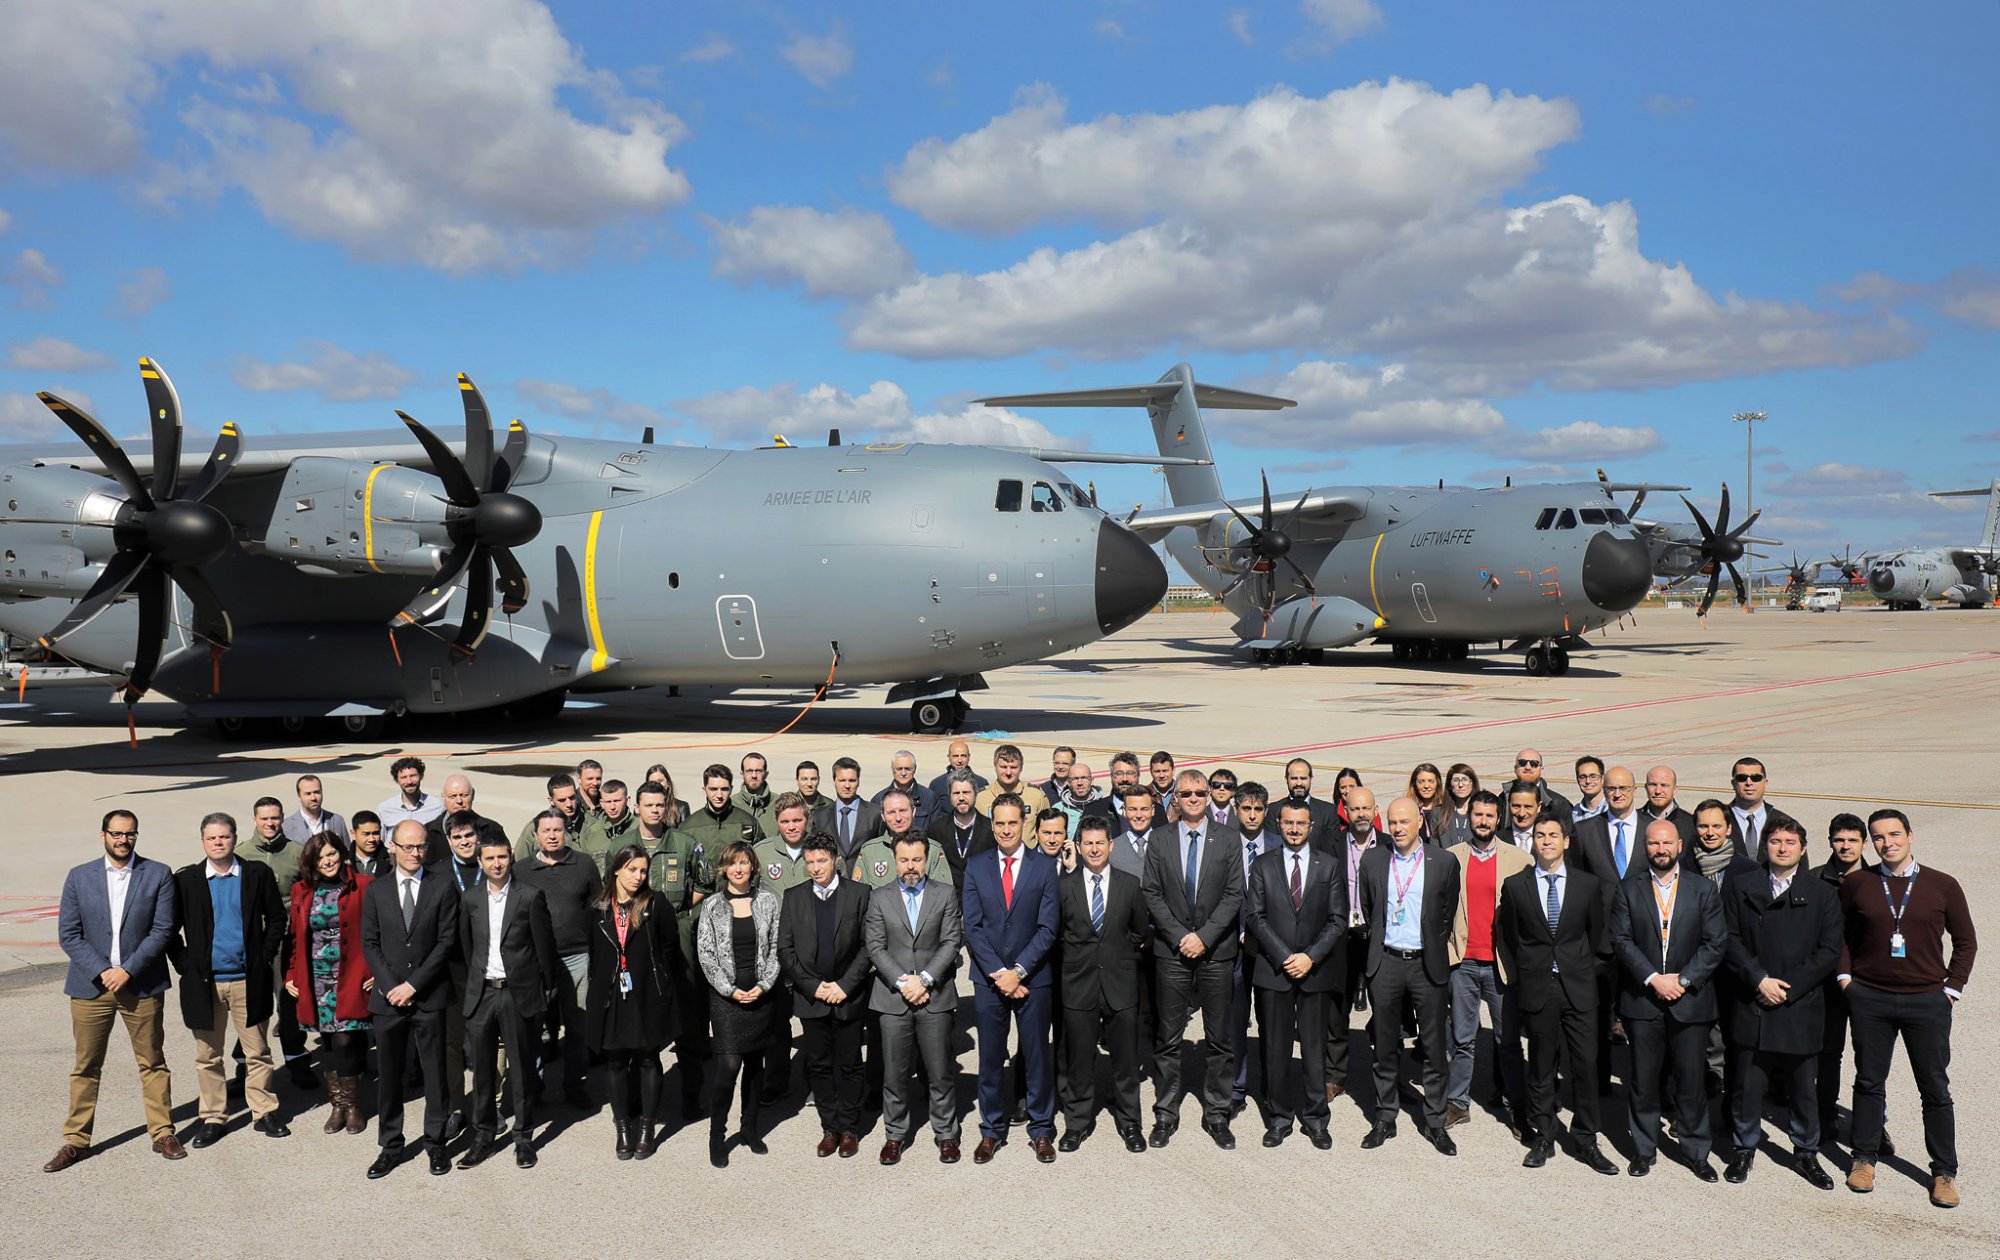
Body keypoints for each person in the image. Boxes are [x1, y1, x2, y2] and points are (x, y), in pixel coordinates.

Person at [1839, 809, 1978, 1208]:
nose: (1888, 843)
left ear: (1911, 836)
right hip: (1872, 999)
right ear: (1871, 842)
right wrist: (1847, 982)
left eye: (1895, 834)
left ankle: (1944, 1171)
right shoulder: (1857, 883)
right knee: (1868, 1081)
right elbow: (1842, 937)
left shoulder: (1942, 885)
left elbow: (1966, 941)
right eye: (1879, 837)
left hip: (1927, 1001)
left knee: (1934, 1087)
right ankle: (1863, 1158)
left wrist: (1952, 989)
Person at [45, 809, 182, 1172]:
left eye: (130, 834)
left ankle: (163, 1132)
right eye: (117, 833)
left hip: (142, 983)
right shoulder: (79, 877)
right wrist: (104, 971)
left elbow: (163, 929)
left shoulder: (158, 874)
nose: (124, 840)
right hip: (91, 986)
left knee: (152, 1061)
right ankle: (76, 1140)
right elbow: (69, 934)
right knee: (86, 1065)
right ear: (103, 834)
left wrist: (129, 970)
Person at [1718, 815, 1842, 1187]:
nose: (1783, 848)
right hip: (1753, 998)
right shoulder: (1741, 886)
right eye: (1776, 842)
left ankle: (1806, 1152)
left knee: (1803, 1087)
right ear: (1766, 847)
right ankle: (1744, 1148)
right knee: (1746, 1084)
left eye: (1790, 842)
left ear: (1803, 850)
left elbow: (1828, 950)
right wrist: (1759, 978)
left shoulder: (1822, 894)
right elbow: (1728, 938)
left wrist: (1786, 986)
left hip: (1798, 1004)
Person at [1496, 813, 1618, 1174]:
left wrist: (1580, 969)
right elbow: (1512, 936)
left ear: (1566, 842)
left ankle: (1585, 1139)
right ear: (1532, 842)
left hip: (1579, 986)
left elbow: (1596, 935)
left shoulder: (1587, 885)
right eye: (1539, 835)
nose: (1546, 840)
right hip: (1539, 988)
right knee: (1542, 1066)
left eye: (1553, 835)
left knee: (1585, 1065)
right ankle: (1544, 1133)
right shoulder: (1516, 886)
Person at [1611, 818, 1728, 1181]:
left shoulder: (1702, 890)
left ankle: (1696, 1151)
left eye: (1666, 844)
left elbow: (1715, 942)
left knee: (1691, 1081)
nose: (1660, 850)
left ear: (1679, 846)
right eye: (1653, 844)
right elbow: (1621, 940)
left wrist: (1685, 978)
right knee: (1644, 1081)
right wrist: (1652, 979)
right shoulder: (1628, 889)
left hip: (1689, 1000)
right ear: (1645, 848)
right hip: (1643, 1000)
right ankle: (1644, 1150)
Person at [169, 811, 289, 1146]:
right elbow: (169, 929)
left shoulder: (255, 874)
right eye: (212, 837)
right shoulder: (188, 880)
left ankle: (263, 1111)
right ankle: (214, 1116)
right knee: (208, 1055)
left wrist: (264, 958)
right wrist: (186, 965)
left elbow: (277, 918)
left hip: (247, 981)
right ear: (202, 841)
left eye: (224, 836)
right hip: (206, 984)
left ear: (235, 838)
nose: (218, 843)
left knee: (259, 1052)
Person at [1142, 769, 1246, 1150]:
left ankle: (1217, 1112)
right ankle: (1166, 1113)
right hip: (1172, 953)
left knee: (1219, 1039)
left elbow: (1235, 894)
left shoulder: (1229, 839)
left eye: (1199, 792)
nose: (1193, 797)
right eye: (1185, 793)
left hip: (1216, 952)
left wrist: (1203, 937)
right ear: (1176, 798)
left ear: (1208, 796)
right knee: (1168, 1039)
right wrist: (1179, 936)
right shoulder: (1160, 837)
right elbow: (1151, 893)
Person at [962, 795, 1062, 1163]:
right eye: (1000, 824)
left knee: (1036, 1055)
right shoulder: (976, 866)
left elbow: (1048, 927)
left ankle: (1041, 1128)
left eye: (1013, 823)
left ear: (1025, 825)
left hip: (1033, 977)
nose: (1006, 830)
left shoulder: (1043, 867)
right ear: (992, 825)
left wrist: (1018, 971)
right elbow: (972, 926)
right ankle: (991, 1130)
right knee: (990, 1057)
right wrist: (1000, 973)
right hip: (990, 979)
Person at [1358, 797, 1460, 1156]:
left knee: (1433, 1047)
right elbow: (1370, 911)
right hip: (1385, 963)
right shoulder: (1372, 861)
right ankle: (1385, 1116)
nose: (1398, 828)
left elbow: (1446, 913)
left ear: (1420, 820)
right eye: (1392, 822)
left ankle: (1435, 1122)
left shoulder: (1444, 862)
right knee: (1385, 1045)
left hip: (1426, 963)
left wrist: (1427, 944)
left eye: (1404, 821)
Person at [1244, 798, 1346, 1150]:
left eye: (1301, 824)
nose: (1294, 829)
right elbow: (1255, 917)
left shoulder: (1329, 866)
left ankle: (1316, 1118)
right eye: (1288, 823)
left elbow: (1337, 920)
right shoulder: (1262, 865)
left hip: (1315, 971)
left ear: (1311, 826)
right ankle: (1280, 1117)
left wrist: (1310, 957)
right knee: (1276, 1047)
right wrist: (1287, 957)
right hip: (1275, 970)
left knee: (1315, 1049)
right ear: (1279, 824)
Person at [360, 820, 459, 1179]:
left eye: (420, 847)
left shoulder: (442, 887)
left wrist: (413, 985)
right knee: (389, 1075)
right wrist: (390, 986)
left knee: (435, 1073)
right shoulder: (376, 890)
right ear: (392, 847)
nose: (415, 853)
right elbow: (369, 941)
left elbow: (446, 942)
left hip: (428, 995)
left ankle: (435, 1143)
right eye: (408, 847)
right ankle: (391, 1145)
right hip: (388, 1000)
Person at [454, 836, 559, 1170]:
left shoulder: (529, 896)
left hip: (518, 993)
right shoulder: (470, 899)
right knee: (483, 1072)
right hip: (483, 993)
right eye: (490, 858)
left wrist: (544, 992)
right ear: (481, 861)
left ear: (511, 857)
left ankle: (524, 1138)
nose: (496, 863)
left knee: (522, 1069)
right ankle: (484, 1136)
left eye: (502, 857)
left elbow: (545, 948)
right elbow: (467, 948)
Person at [865, 835, 964, 1165]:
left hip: (934, 995)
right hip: (893, 998)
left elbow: (951, 942)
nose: (911, 867)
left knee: (940, 1072)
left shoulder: (944, 894)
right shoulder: (879, 898)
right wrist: (901, 981)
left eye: (917, 860)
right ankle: (895, 1135)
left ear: (927, 860)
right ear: (895, 860)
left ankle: (946, 1134)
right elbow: (875, 947)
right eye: (905, 860)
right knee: (894, 1074)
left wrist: (924, 979)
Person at [1056, 815, 1151, 1153]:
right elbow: (1056, 935)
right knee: (1080, 1061)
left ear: (1111, 846)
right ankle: (1077, 1124)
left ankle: (1130, 1124)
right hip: (1078, 985)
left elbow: (1141, 930)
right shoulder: (1064, 886)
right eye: (1088, 843)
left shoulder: (1129, 884)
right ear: (1078, 848)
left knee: (1125, 1062)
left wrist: (1121, 955)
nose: (1094, 849)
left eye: (1100, 843)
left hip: (1120, 983)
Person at [777, 832, 872, 1158]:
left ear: (836, 860)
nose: (816, 868)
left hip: (848, 994)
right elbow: (785, 950)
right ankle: (829, 1127)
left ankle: (849, 1127)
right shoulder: (793, 897)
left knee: (848, 1063)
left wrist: (844, 985)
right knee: (818, 1063)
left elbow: (867, 945)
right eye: (810, 862)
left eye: (822, 861)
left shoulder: (860, 894)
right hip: (812, 996)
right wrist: (813, 986)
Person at [586, 845, 680, 1160]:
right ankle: (623, 1126)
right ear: (616, 870)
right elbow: (594, 953)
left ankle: (647, 1127)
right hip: (613, 993)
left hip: (647, 993)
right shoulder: (598, 907)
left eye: (643, 870)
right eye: (632, 869)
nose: (638, 877)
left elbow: (669, 946)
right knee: (614, 1060)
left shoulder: (656, 904)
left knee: (648, 1057)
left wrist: (660, 981)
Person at [1445, 789, 1530, 1132]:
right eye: (1477, 815)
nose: (1482, 821)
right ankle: (1457, 1103)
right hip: (1463, 962)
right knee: (1463, 1039)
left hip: (1500, 964)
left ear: (1499, 819)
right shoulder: (1451, 857)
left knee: (1506, 1040)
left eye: (1489, 816)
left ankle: (1514, 1105)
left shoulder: (1520, 859)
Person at [626, 779, 710, 1119]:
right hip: (633, 942)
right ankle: (638, 1100)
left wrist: (670, 916)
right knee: (637, 1024)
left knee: (689, 1022)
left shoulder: (686, 844)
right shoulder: (623, 845)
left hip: (678, 941)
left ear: (667, 807)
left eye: (660, 805)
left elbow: (704, 884)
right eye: (648, 805)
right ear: (637, 807)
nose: (655, 811)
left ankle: (691, 1096)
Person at [696, 840, 784, 1166]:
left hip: (761, 993)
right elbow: (705, 954)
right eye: (732, 863)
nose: (738, 869)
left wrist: (763, 985)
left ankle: (750, 1128)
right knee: (727, 1069)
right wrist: (727, 989)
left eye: (744, 863)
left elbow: (777, 948)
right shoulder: (712, 906)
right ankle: (716, 1136)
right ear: (723, 869)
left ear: (752, 867)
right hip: (726, 997)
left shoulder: (768, 902)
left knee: (755, 1066)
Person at [281, 834, 374, 1138]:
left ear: (342, 853)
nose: (328, 861)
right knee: (329, 1040)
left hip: (352, 974)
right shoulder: (302, 890)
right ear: (312, 862)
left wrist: (377, 970)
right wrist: (291, 974)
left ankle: (352, 1104)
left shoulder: (364, 885)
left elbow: (378, 932)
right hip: (316, 976)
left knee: (347, 1038)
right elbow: (295, 937)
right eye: (321, 857)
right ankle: (338, 1105)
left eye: (332, 854)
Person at [516, 807, 603, 1111]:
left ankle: (575, 1084)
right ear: (536, 834)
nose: (552, 836)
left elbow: (598, 908)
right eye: (546, 831)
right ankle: (535, 1087)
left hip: (578, 957)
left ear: (565, 832)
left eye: (557, 830)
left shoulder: (584, 864)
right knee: (536, 1026)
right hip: (537, 962)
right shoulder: (522, 870)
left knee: (578, 1025)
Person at [240, 794, 315, 1087]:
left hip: (287, 940)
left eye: (275, 818)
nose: (270, 823)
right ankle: (244, 1066)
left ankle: (297, 1061)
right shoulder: (242, 853)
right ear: (255, 820)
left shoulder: (297, 852)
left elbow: (309, 893)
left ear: (282, 818)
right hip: (254, 942)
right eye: (264, 818)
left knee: (289, 1004)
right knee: (250, 1004)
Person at [1816, 813, 1876, 1151]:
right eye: (1839, 840)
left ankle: (1872, 1124)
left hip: (1869, 980)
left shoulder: (1878, 878)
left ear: (1863, 844)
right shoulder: (1814, 879)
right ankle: (1824, 1117)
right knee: (1828, 1054)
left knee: (1870, 1057)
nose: (1845, 846)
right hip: (1828, 985)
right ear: (1830, 842)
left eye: (1852, 840)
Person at [1228, 781, 1279, 1112]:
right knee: (1235, 1020)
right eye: (1245, 808)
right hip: (1231, 947)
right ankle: (1236, 1086)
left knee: (1271, 1020)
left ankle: (1272, 1086)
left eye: (1258, 809)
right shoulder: (1224, 844)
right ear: (1236, 810)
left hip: (1269, 948)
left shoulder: (1276, 845)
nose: (1252, 815)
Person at [1328, 784, 1380, 1100]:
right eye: (1355, 808)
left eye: (1366, 808)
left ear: (1375, 812)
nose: (1361, 814)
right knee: (1337, 1010)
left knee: (1385, 1011)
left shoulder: (1387, 846)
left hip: (1376, 938)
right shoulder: (1330, 845)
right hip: (1342, 938)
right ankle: (1334, 1076)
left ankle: (1388, 1077)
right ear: (1346, 812)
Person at [849, 789, 952, 890]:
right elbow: (859, 896)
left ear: (913, 811)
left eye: (903, 811)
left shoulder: (933, 850)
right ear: (883, 816)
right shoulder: (869, 852)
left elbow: (943, 895)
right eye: (891, 812)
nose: (898, 818)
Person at [926, 768, 994, 890]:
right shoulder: (936, 830)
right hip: (948, 901)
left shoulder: (991, 829)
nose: (961, 798)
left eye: (966, 792)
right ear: (949, 796)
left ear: (975, 794)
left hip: (981, 898)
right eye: (956, 793)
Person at [422, 773, 507, 865]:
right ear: (443, 798)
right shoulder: (428, 832)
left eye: (464, 795)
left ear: (473, 795)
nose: (459, 801)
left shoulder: (491, 829)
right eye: (453, 796)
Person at [813, 757, 881, 860]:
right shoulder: (820, 817)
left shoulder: (875, 814)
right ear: (834, 782)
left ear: (858, 782)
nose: (847, 785)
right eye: (842, 780)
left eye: (852, 780)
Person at [513, 773, 585, 857]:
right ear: (551, 801)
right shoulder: (534, 828)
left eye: (572, 797)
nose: (569, 804)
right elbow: (520, 863)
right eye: (562, 800)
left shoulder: (589, 824)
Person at [871, 749, 937, 830]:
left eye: (907, 769)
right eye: (899, 769)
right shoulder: (879, 799)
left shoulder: (929, 798)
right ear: (892, 769)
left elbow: (935, 832)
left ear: (915, 769)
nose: (903, 773)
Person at [976, 744, 1049, 817]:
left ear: (1021, 768)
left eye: (1013, 767)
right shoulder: (980, 798)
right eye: (1003, 767)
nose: (1008, 772)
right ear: (995, 767)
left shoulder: (1036, 795)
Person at [1505, 748, 1573, 825]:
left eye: (1534, 764)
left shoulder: (1560, 805)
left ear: (1541, 769)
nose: (1528, 767)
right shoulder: (1502, 800)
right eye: (1522, 763)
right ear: (1515, 768)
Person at [376, 755, 445, 829]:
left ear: (421, 776)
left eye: (413, 776)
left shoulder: (438, 807)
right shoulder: (385, 809)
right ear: (397, 780)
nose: (409, 781)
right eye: (404, 777)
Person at [282, 774, 349, 847]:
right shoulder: (286, 827)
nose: (313, 798)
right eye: (308, 794)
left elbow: (347, 853)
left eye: (317, 792)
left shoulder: (337, 821)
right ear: (299, 797)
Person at [579, 778, 638, 861]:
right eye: (608, 802)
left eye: (617, 801)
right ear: (602, 803)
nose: (612, 807)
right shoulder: (591, 833)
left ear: (627, 800)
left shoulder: (639, 829)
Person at [1640, 765, 1698, 846]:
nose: (1658, 791)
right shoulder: (1633, 822)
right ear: (1646, 787)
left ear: (1675, 789)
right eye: (1653, 785)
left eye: (1664, 785)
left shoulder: (1690, 824)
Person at [1726, 757, 1772, 857]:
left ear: (1765, 783)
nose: (1749, 783)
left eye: (1756, 778)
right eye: (1742, 778)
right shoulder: (1717, 821)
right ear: (1733, 783)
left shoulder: (1782, 821)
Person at [1430, 764, 1478, 849]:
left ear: (1473, 783)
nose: (1460, 785)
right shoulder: (1438, 813)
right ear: (1449, 785)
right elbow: (1434, 847)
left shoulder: (1480, 813)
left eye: (1465, 780)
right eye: (1456, 780)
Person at [732, 752, 778, 835]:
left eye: (759, 771)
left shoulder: (779, 804)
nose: (754, 775)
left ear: (766, 774)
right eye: (749, 771)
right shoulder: (731, 805)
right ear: (742, 774)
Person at [348, 810, 390, 878]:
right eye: (366, 834)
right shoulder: (343, 861)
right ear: (353, 834)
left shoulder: (392, 860)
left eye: (375, 833)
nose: (372, 839)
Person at [1408, 763, 1446, 834]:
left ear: (1437, 783)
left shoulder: (1445, 810)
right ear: (1414, 784)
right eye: (1421, 782)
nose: (1426, 786)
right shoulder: (1409, 810)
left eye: (1431, 781)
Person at [1571, 756, 1607, 825]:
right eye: (1583, 777)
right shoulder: (1574, 813)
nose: (1588, 781)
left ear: (1602, 778)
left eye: (1593, 776)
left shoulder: (1613, 810)